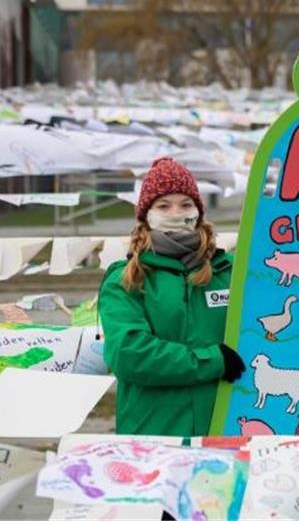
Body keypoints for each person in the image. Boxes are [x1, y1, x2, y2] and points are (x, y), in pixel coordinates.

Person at [99, 157, 245, 436]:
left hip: (226, 429)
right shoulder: (126, 279)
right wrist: (213, 361)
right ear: (146, 215)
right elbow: (129, 354)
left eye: (186, 205)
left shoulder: (231, 272)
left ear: (199, 212)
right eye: (164, 206)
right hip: (155, 434)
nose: (176, 213)